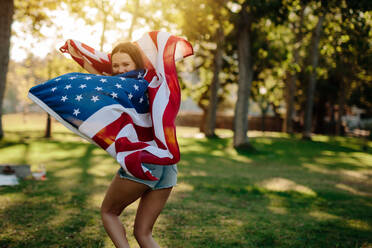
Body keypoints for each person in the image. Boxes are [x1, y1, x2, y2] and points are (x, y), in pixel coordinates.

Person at [99, 42, 178, 248]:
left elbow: (96, 84)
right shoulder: (152, 84)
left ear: (137, 62)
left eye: (126, 64)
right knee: (143, 233)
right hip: (166, 163)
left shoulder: (128, 88)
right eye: (115, 66)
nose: (120, 70)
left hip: (143, 160)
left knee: (109, 212)